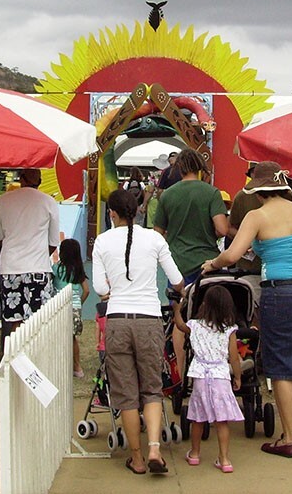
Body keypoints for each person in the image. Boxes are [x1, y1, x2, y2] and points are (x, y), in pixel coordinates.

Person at [202, 161, 292, 459]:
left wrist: (212, 264)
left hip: (281, 290)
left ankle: (289, 438)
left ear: (259, 191)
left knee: (279, 363)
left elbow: (233, 254)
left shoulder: (257, 215)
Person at [91, 189, 184, 476]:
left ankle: (137, 458)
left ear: (112, 214)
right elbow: (177, 280)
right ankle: (155, 447)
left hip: (118, 320)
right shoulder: (155, 239)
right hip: (149, 320)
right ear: (139, 210)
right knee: (152, 389)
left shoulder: (102, 242)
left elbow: (101, 289)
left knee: (126, 394)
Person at [175, 284, 243, 473]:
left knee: (198, 418)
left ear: (205, 304)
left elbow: (180, 326)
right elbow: (234, 357)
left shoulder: (195, 325)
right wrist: (237, 376)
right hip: (220, 375)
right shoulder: (229, 330)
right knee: (222, 420)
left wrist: (177, 309)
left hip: (200, 375)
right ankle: (225, 459)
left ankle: (195, 454)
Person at [0, 168, 60, 337]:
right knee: (40, 319)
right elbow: (53, 242)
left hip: (10, 267)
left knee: (14, 320)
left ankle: (14, 357)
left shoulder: (4, 201)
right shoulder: (49, 202)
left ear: (21, 179)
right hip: (38, 268)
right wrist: (40, 254)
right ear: (40, 181)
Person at [153, 148, 228, 284]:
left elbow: (157, 232)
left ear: (179, 167)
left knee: (178, 300)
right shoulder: (212, 193)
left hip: (176, 261)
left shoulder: (167, 195)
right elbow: (222, 229)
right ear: (199, 167)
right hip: (207, 261)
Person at [52, 238, 90, 378]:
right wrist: (79, 303)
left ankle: (60, 366)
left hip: (59, 306)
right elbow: (86, 290)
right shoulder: (78, 270)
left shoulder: (56, 268)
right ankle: (77, 367)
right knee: (72, 337)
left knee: (58, 337)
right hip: (74, 306)